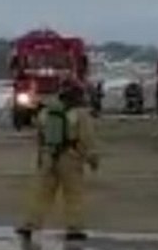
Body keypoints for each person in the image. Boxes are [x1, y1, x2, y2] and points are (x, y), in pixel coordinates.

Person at [16, 79, 100, 241]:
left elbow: (40, 134)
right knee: (73, 194)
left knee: (41, 194)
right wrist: (92, 159)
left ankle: (29, 225)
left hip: (49, 156)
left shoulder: (47, 111)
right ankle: (74, 228)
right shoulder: (81, 114)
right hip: (70, 158)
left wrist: (41, 156)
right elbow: (87, 139)